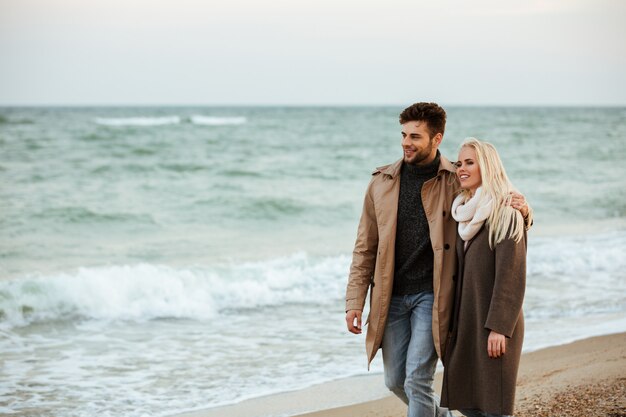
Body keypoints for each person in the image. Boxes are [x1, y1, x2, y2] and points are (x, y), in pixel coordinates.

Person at [345, 103, 530, 417]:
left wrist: (524, 211)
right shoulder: (381, 183)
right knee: (394, 381)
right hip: (391, 299)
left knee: (417, 377)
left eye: (415, 136)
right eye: (403, 134)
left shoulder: (452, 179)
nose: (406, 142)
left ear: (436, 138)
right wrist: (354, 301)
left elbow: (492, 193)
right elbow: (364, 248)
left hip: (432, 297)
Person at [440, 138, 532, 417]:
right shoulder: (463, 213)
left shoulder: (506, 210)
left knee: (496, 405)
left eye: (470, 163)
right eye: (459, 163)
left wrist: (500, 328)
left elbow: (511, 275)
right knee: (467, 401)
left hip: (495, 323)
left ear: (487, 167)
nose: (461, 169)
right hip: (468, 318)